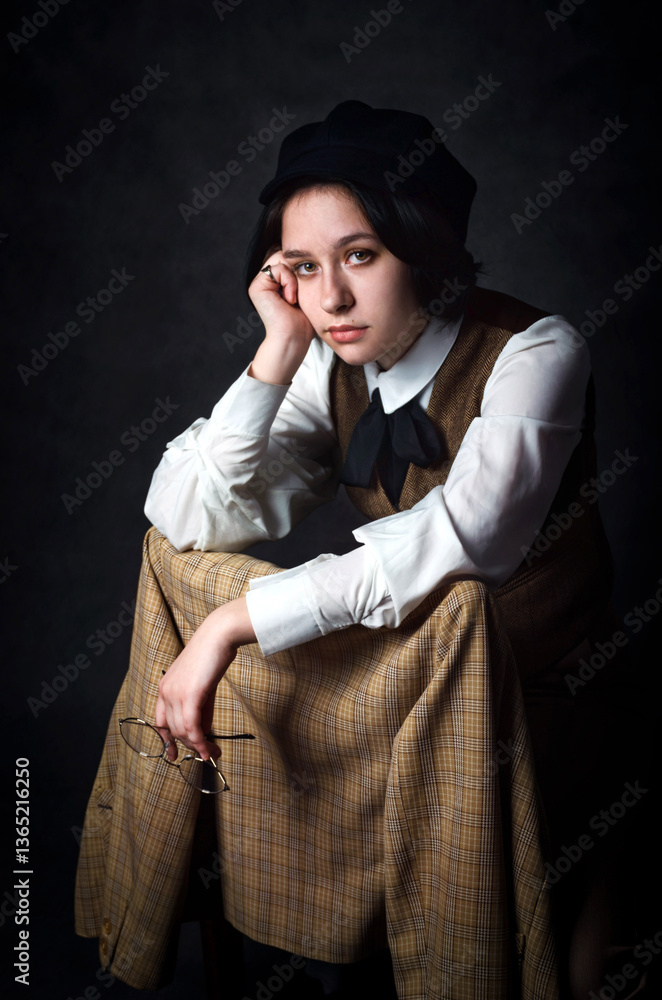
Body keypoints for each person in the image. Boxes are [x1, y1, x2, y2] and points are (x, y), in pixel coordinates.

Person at [139, 100, 635, 997]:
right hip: (413, 688)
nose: (329, 298)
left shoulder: (538, 349)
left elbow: (463, 542)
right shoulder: (325, 354)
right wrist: (276, 351)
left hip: (546, 696)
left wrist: (230, 624)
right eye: (301, 268)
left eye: (360, 256)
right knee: (304, 779)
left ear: (428, 248)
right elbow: (184, 516)